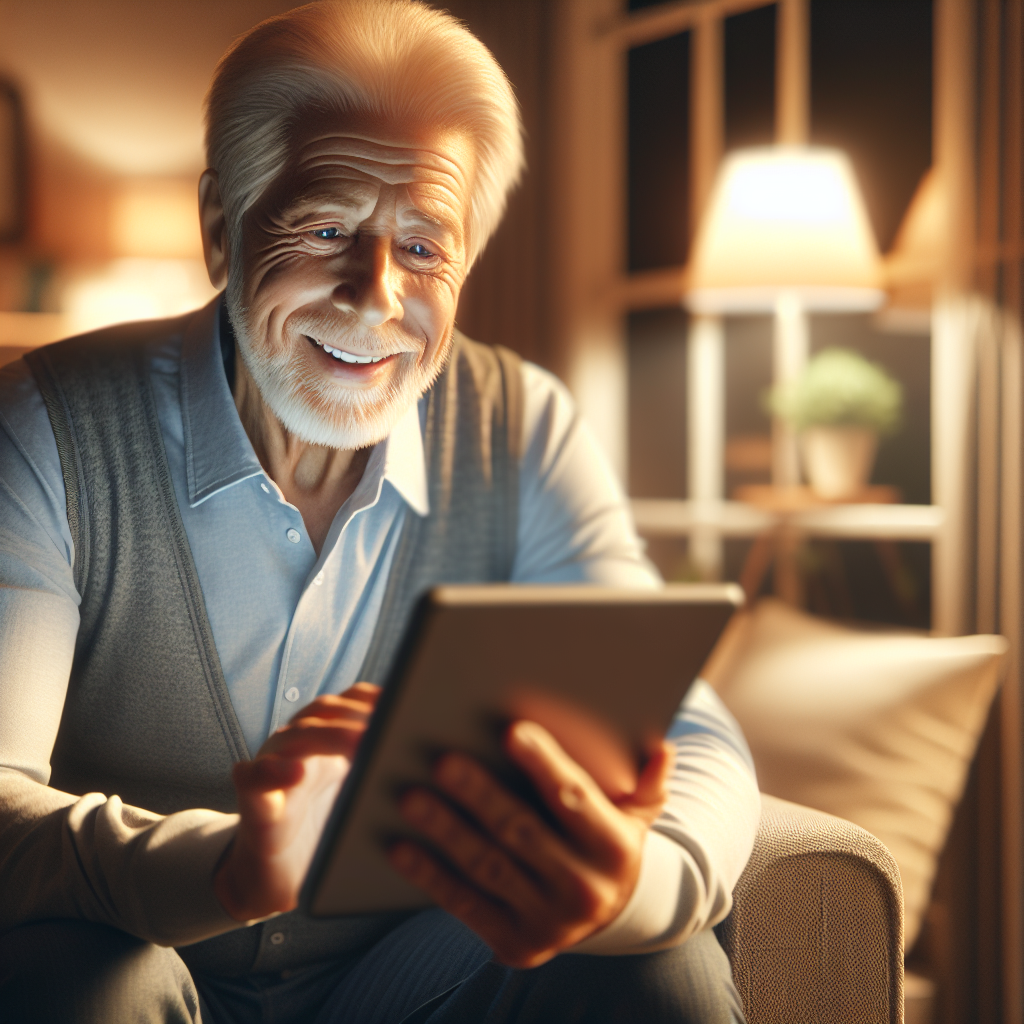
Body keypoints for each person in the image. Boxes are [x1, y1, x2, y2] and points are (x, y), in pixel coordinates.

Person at [0, 2, 759, 1021]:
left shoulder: (521, 422)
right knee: (80, 981)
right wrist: (228, 867)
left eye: (421, 248)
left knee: (652, 967)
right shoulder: (46, 421)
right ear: (222, 225)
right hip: (148, 957)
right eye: (324, 227)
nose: (373, 296)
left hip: (410, 978)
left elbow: (691, 734)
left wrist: (632, 889)